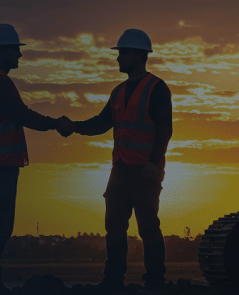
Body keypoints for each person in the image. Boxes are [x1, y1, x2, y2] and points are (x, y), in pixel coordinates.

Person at [0, 23, 74, 295]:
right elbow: (23, 115)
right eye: (15, 50)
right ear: (1, 50)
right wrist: (56, 123)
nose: (20, 55)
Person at [71, 29, 172, 294]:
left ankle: (155, 282)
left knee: (148, 227)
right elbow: (101, 123)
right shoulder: (118, 93)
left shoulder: (157, 88)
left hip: (145, 172)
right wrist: (73, 126)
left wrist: (154, 163)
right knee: (114, 226)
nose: (118, 58)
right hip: (120, 170)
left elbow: (164, 129)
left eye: (123, 53)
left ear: (139, 56)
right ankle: (113, 281)